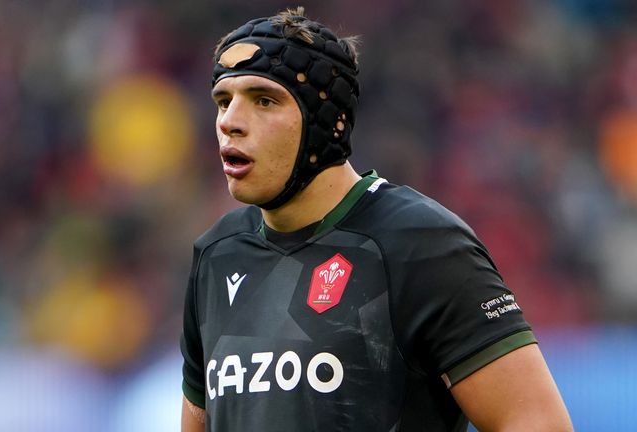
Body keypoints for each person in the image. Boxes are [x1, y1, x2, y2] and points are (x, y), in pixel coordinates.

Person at [181, 7, 572, 432]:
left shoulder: (420, 243)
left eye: (263, 100)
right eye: (223, 101)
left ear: (325, 121)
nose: (229, 122)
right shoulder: (216, 255)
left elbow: (536, 422)